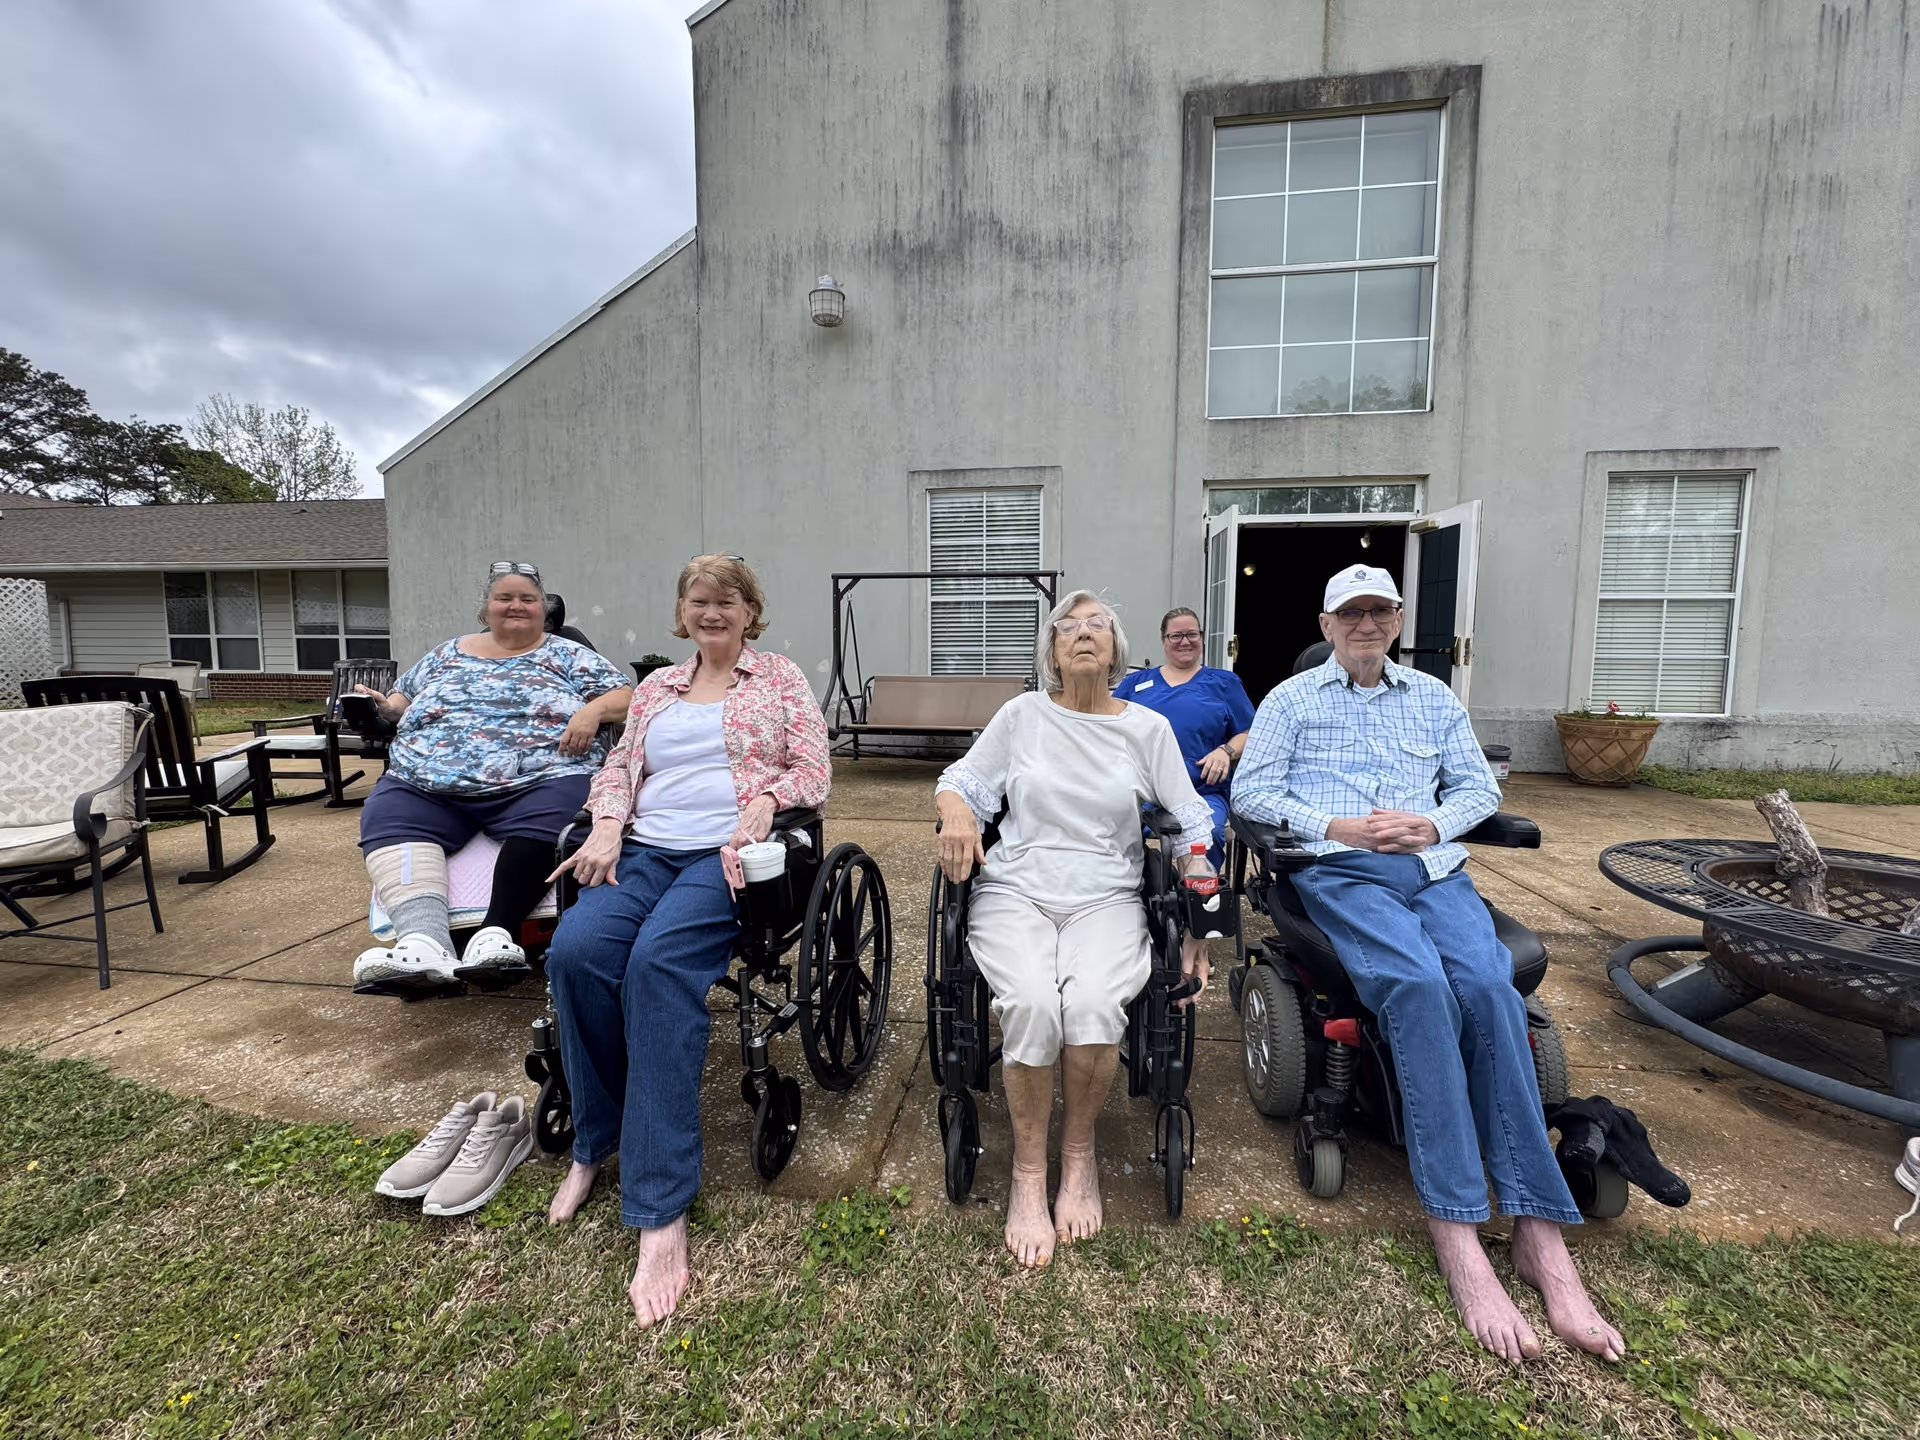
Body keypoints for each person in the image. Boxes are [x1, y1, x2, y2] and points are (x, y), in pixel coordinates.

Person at [1231, 563, 1623, 1363]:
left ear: (1398, 619)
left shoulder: (1434, 698)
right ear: (1327, 623)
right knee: (1413, 987)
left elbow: (1479, 789)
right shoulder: (1290, 700)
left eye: (1380, 611)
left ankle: (1539, 1235)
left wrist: (1432, 823)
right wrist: (1339, 828)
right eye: (1352, 613)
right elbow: (1254, 792)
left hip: (1434, 869)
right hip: (1339, 869)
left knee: (1487, 986)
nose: (1366, 624)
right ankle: (1456, 1227)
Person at [542, 554, 830, 1327]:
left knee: (657, 966)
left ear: (749, 613)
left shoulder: (777, 679)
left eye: (727, 601)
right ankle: (593, 1143)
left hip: (725, 858)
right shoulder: (655, 690)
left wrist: (768, 797)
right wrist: (606, 825)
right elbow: (618, 769)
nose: (712, 612)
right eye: (699, 600)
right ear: (682, 612)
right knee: (574, 954)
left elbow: (813, 768)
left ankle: (659, 1206)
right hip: (641, 850)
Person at [935, 590, 1214, 1268]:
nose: (1083, 635)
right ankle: (1029, 1173)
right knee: (1031, 1002)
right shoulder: (1022, 715)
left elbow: (1192, 824)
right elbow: (962, 780)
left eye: (1098, 626)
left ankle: (1079, 1151)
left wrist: (1201, 925)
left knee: (1091, 1006)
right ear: (1052, 651)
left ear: (1116, 649)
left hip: (1106, 896)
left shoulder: (1146, 729)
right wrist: (960, 816)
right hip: (1017, 890)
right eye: (1069, 627)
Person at [352, 561, 632, 989]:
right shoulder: (446, 652)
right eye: (505, 597)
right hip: (427, 781)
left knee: (567, 812)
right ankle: (423, 943)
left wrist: (592, 710)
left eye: (528, 599)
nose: (516, 606)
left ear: (544, 610)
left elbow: (629, 697)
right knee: (388, 813)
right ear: (485, 608)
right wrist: (387, 708)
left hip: (540, 776)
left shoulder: (569, 654)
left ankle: (496, 933)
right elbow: (403, 697)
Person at [1112, 606, 1254, 864]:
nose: (1185, 641)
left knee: (1205, 837)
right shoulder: (1136, 683)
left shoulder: (1224, 682)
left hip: (1201, 789)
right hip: (1141, 791)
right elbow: (1107, 725)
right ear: (1164, 640)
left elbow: (1250, 731)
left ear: (1201, 637)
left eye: (1192, 634)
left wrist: (1226, 751)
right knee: (1111, 834)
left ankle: (1196, 899)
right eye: (1176, 636)